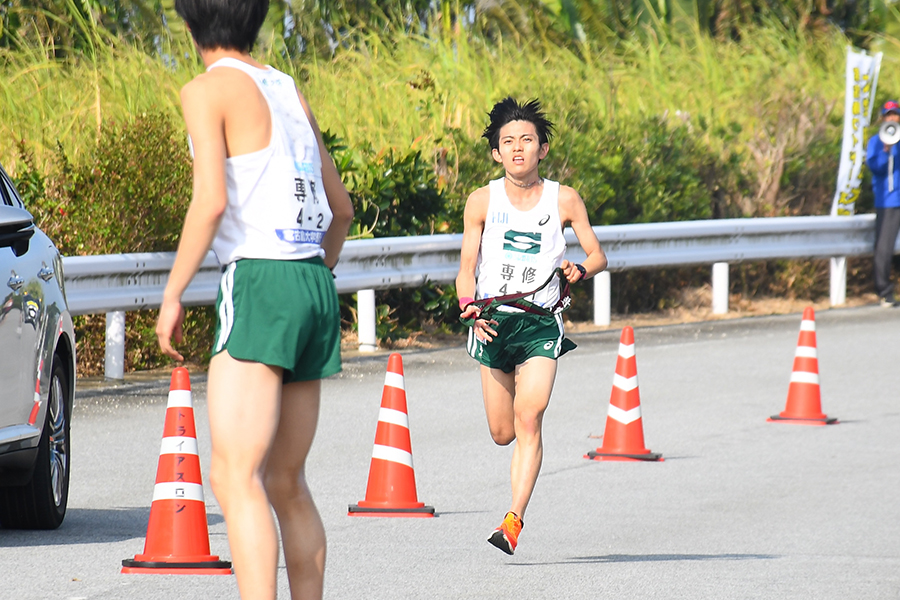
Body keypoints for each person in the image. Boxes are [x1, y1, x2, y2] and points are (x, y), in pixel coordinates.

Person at [155, 1, 354, 598]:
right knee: (287, 480)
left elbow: (210, 200)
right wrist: (311, 278)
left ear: (189, 24)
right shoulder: (287, 88)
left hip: (260, 279)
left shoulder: (206, 90)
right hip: (312, 277)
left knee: (234, 476)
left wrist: (172, 294)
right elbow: (340, 209)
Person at [455, 97, 607, 555]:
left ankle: (513, 520)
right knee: (503, 432)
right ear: (496, 153)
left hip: (542, 322)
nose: (518, 149)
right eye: (508, 142)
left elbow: (598, 254)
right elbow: (466, 268)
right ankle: (514, 502)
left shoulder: (564, 198)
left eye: (527, 140)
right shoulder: (482, 201)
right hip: (493, 323)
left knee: (530, 416)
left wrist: (582, 269)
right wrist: (468, 304)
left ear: (543, 148)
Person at [866, 100, 900, 307]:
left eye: (895, 114)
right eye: (888, 115)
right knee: (884, 247)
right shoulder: (875, 142)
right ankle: (884, 292)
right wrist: (886, 149)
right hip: (887, 201)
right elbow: (875, 167)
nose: (891, 118)